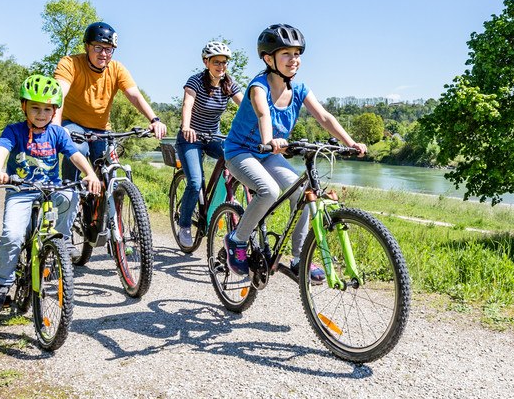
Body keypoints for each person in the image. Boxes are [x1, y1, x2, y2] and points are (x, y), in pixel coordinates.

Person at [222, 24, 366, 281]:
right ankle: (237, 239)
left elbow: (324, 116)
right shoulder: (259, 87)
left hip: (268, 153)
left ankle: (300, 258)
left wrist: (350, 142)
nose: (294, 60)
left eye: (297, 54)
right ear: (269, 59)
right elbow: (263, 113)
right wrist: (270, 140)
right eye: (286, 54)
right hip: (240, 152)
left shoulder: (299, 89)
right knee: (269, 191)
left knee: (301, 193)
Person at [0, 74, 102, 312]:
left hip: (51, 190)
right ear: (23, 107)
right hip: (21, 190)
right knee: (13, 236)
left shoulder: (58, 133)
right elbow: (1, 149)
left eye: (47, 109)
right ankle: (2, 284)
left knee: (71, 195)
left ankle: (59, 242)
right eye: (35, 108)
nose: (41, 114)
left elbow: (74, 155)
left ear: (55, 110)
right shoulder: (14, 131)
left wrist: (90, 173)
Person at [52, 22, 167, 244]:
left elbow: (134, 95)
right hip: (73, 124)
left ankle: (103, 215)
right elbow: (59, 94)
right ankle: (64, 231)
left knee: (109, 168)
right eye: (98, 48)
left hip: (101, 129)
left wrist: (154, 119)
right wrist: (56, 127)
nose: (103, 54)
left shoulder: (116, 69)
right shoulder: (70, 64)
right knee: (77, 150)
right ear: (87, 46)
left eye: (108, 49)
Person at [173, 41, 244, 247]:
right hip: (190, 138)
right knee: (195, 182)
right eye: (216, 62)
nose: (221, 66)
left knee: (236, 158)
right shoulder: (195, 81)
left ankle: (226, 200)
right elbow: (188, 104)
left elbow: (246, 105)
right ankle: (185, 224)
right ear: (206, 62)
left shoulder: (229, 84)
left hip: (214, 136)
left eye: (224, 63)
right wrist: (186, 126)